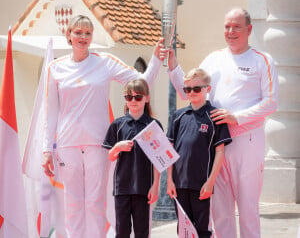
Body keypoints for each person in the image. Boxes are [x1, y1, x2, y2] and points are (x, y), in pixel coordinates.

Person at [41, 15, 164, 238]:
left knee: (96, 203)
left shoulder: (105, 62)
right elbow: (50, 112)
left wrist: (155, 60)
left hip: (98, 143)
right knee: (74, 204)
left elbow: (142, 82)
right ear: (68, 35)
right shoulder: (55, 68)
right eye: (78, 32)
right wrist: (46, 149)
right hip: (68, 144)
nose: (83, 37)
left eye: (87, 33)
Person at [165, 8, 279, 238]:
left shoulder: (262, 60)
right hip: (214, 145)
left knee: (247, 209)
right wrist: (173, 65)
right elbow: (190, 90)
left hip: (246, 140)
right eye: (227, 26)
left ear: (249, 29)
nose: (231, 31)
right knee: (220, 212)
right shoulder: (213, 59)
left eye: (236, 26)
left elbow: (271, 102)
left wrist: (236, 117)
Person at [166, 68, 232, 238]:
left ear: (207, 89)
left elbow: (220, 152)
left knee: (202, 230)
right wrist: (170, 181)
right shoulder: (178, 116)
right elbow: (169, 151)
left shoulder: (215, 116)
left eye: (196, 89)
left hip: (201, 185)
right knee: (183, 229)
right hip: (179, 184)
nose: (192, 92)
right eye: (187, 89)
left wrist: (210, 182)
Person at [102, 79, 161, 238]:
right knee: (122, 232)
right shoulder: (117, 125)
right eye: (129, 97)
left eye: (138, 97)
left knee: (142, 232)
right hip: (122, 188)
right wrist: (117, 147)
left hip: (144, 188)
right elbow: (110, 155)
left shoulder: (153, 125)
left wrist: (155, 186)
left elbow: (159, 160)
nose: (133, 101)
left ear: (147, 98)